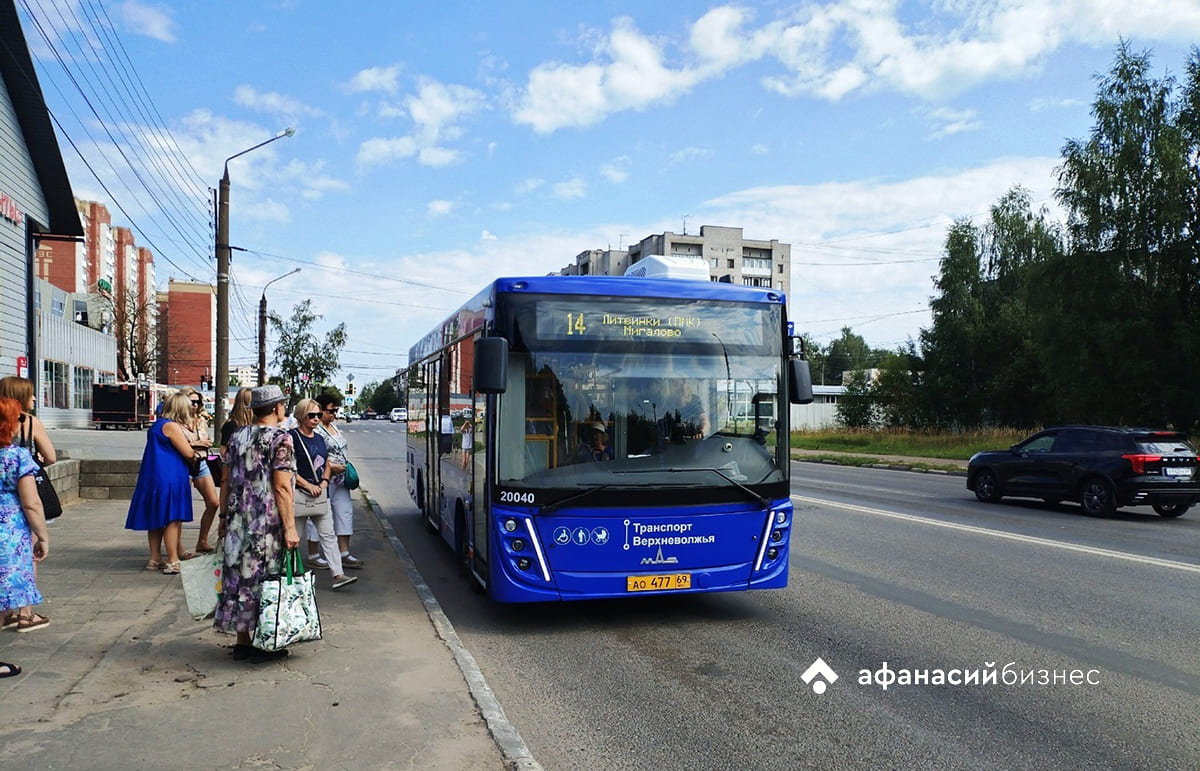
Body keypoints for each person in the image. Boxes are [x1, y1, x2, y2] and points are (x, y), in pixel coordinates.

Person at [213, 385, 300, 663]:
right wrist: (290, 527)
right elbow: (282, 487)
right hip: (266, 523)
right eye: (283, 405)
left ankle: (242, 642)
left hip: (239, 520)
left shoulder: (237, 435)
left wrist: (224, 517)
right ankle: (264, 645)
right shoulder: (281, 439)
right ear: (277, 408)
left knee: (240, 579)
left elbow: (225, 479)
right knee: (265, 578)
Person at [0, 376, 55, 631]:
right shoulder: (21, 448)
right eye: (31, 395)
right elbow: (31, 503)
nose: (34, 399)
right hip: (14, 514)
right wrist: (43, 535)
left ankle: (6, 613)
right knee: (25, 558)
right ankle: (25, 612)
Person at [125, 391, 200, 575]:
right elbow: (188, 453)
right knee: (171, 519)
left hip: (153, 476)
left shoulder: (157, 426)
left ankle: (154, 558)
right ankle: (172, 560)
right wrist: (198, 448)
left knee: (155, 520)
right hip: (171, 477)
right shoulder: (172, 427)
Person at [291, 399, 356, 590]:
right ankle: (290, 575)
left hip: (320, 493)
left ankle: (338, 574)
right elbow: (288, 469)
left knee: (328, 535)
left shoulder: (319, 438)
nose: (316, 419)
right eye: (311, 415)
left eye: (318, 415)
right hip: (299, 494)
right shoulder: (291, 437)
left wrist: (324, 482)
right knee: (295, 537)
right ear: (301, 415)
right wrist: (307, 485)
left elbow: (327, 462)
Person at [312, 392, 364, 574]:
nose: (335, 414)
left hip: (341, 479)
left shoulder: (334, 427)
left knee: (344, 512)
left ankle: (344, 552)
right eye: (331, 410)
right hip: (323, 478)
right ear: (320, 409)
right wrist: (331, 467)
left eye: (336, 410)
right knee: (318, 514)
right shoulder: (316, 429)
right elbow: (315, 454)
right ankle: (313, 555)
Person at [179, 387, 219, 557]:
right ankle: (177, 547)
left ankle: (202, 540)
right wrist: (197, 443)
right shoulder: (175, 421)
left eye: (197, 402)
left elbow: (206, 440)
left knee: (213, 502)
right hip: (183, 463)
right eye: (191, 401)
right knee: (180, 508)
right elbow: (177, 444)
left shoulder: (201, 420)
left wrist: (205, 442)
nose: (195, 405)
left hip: (201, 462)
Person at [660, 380, 710, 444]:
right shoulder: (663, 407)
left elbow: (705, 422)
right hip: (668, 447)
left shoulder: (694, 406)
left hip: (691, 445)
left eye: (682, 385)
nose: (681, 389)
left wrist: (701, 432)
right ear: (668, 389)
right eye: (676, 385)